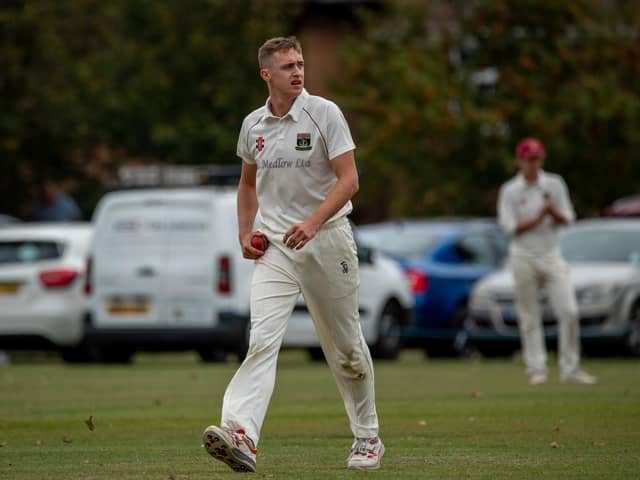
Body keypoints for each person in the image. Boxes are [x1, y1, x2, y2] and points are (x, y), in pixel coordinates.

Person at [201, 36, 384, 472]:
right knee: (261, 341)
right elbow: (247, 185)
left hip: (328, 240)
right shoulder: (253, 125)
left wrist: (314, 222)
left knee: (347, 351)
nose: (298, 71)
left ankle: (368, 438)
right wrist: (245, 233)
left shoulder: (324, 113)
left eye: (300, 63)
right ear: (267, 74)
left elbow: (349, 180)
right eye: (287, 66)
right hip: (277, 248)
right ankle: (240, 434)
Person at [497, 137, 597, 386]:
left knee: (569, 311)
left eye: (537, 159)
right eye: (528, 159)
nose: (533, 164)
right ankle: (537, 368)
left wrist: (554, 214)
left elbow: (569, 219)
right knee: (530, 315)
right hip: (522, 257)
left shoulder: (554, 184)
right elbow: (510, 228)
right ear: (519, 161)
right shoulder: (510, 191)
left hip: (551, 255)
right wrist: (540, 216)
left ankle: (570, 368)